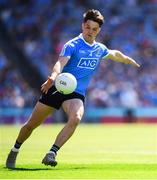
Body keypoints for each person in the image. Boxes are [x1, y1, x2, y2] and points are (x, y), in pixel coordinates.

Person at [6, 9, 140, 168]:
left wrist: (127, 60)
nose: (90, 31)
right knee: (30, 126)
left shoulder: (99, 49)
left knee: (76, 118)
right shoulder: (72, 45)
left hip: (75, 93)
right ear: (83, 26)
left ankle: (51, 153)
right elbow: (60, 63)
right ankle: (15, 149)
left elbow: (114, 54)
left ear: (99, 30)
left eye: (94, 29)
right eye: (88, 27)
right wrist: (53, 76)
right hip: (57, 88)